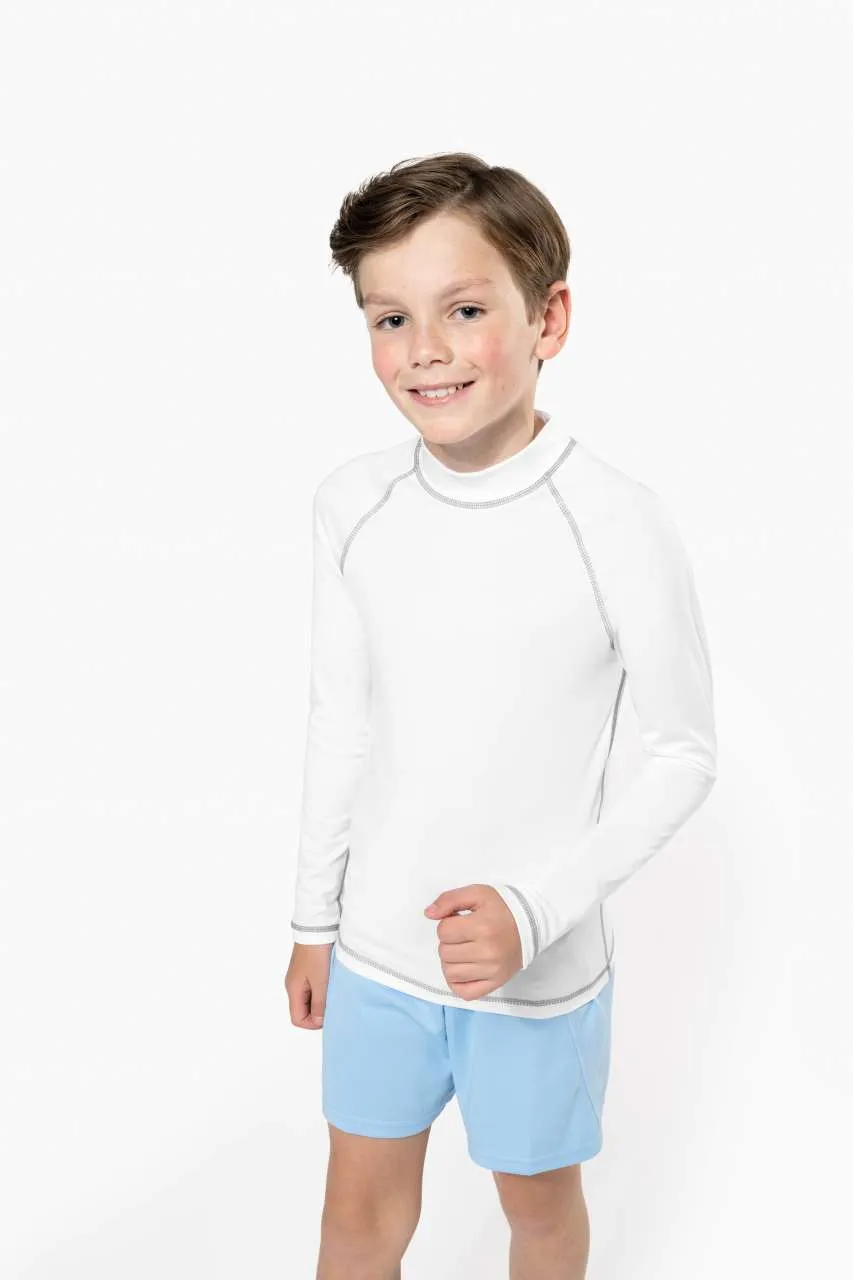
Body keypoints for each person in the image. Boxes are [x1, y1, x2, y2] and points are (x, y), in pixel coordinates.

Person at [283, 151, 717, 1279]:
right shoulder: (352, 505)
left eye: (464, 310)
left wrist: (534, 910)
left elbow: (681, 752)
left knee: (537, 1210)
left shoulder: (615, 521)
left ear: (547, 319)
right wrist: (315, 920)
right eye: (390, 317)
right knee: (355, 1218)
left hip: (532, 969)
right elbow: (341, 722)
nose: (423, 348)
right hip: (378, 952)